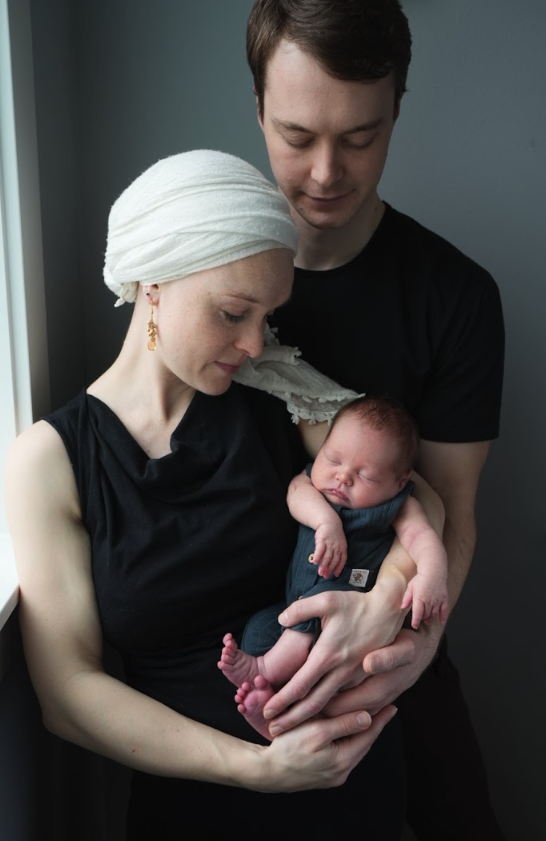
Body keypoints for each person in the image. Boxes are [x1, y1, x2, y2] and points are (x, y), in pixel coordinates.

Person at [6, 149, 446, 839]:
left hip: (347, 786)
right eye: (233, 312)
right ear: (154, 283)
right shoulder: (50, 461)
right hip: (197, 806)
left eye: (267, 315)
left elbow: (415, 495)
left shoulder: (279, 391)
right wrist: (259, 767)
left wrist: (389, 600)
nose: (253, 341)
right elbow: (68, 693)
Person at [245, 2, 506, 839]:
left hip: (392, 651)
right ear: (257, 110)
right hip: (238, 662)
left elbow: (453, 509)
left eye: (360, 137)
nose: (326, 172)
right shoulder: (204, 283)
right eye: (297, 135)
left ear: (397, 110)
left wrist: (406, 632)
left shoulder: (456, 298)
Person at [219, 394, 448, 740]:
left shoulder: (398, 507)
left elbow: (424, 538)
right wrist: (327, 522)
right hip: (292, 610)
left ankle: (266, 673)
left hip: (346, 618)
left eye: (366, 476)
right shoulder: (314, 487)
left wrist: (432, 576)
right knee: (262, 627)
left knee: (321, 603)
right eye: (333, 459)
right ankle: (271, 712)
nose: (342, 478)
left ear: (399, 483)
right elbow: (296, 493)